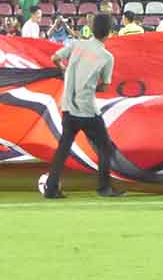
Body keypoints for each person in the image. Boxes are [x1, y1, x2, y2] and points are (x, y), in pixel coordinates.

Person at [41, 13, 122, 199]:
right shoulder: (106, 56)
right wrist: (92, 85)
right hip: (88, 109)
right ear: (109, 32)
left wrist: (65, 71)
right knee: (104, 147)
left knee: (63, 149)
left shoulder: (77, 44)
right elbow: (105, 86)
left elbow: (54, 57)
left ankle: (51, 188)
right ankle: (104, 187)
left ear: (92, 29)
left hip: (68, 106)